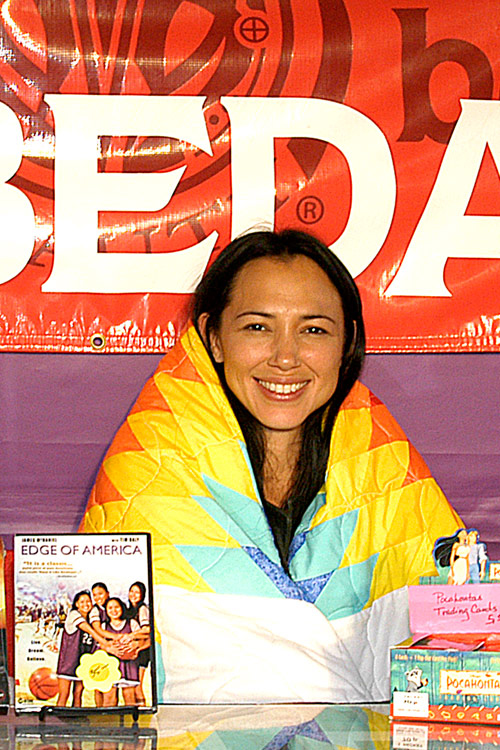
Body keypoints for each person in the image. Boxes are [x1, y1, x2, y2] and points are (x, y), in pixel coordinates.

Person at [81, 228, 461, 703]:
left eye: (314, 329)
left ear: (347, 343)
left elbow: (462, 640)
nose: (285, 357)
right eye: (257, 327)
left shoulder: (385, 468)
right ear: (213, 339)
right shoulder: (146, 470)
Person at [56, 590, 108, 707]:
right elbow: (88, 630)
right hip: (68, 663)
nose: (86, 604)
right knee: (64, 695)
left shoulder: (93, 618)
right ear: (77, 604)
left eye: (88, 601)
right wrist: (103, 641)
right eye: (82, 602)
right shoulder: (73, 615)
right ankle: (57, 721)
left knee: (78, 693)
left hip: (82, 663)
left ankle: (76, 719)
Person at [101, 598, 140, 707]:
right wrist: (109, 648)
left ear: (122, 608)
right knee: (109, 697)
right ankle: (109, 722)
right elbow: (98, 644)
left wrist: (135, 646)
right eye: (110, 608)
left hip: (129, 665)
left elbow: (143, 639)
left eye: (116, 607)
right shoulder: (104, 626)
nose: (114, 610)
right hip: (109, 666)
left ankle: (132, 723)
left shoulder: (131, 623)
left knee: (129, 696)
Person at [124, 582, 151, 706]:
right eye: (131, 591)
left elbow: (146, 629)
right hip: (134, 650)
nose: (133, 595)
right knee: (133, 686)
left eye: (137, 592)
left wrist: (131, 636)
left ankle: (142, 711)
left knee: (137, 686)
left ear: (142, 595)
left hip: (142, 652)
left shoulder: (142, 609)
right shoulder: (129, 610)